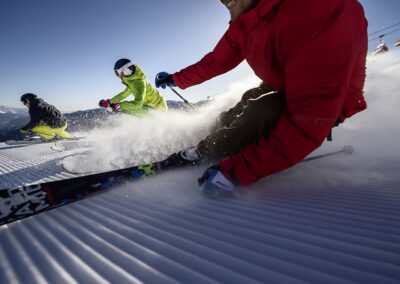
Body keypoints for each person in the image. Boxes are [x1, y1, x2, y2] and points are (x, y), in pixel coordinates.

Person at [155, 0, 368, 198]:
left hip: (329, 101)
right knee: (249, 98)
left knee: (262, 109)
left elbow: (307, 123)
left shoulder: (322, 10)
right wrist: (176, 79)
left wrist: (236, 171)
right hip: (286, 84)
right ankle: (212, 141)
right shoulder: (246, 20)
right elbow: (215, 61)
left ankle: (205, 152)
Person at [99, 58, 168, 116]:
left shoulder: (140, 83)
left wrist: (119, 106)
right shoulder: (132, 82)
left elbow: (138, 104)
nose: (119, 77)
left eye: (119, 74)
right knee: (127, 109)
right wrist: (109, 102)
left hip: (157, 109)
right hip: (149, 106)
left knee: (127, 108)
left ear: (125, 72)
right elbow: (123, 95)